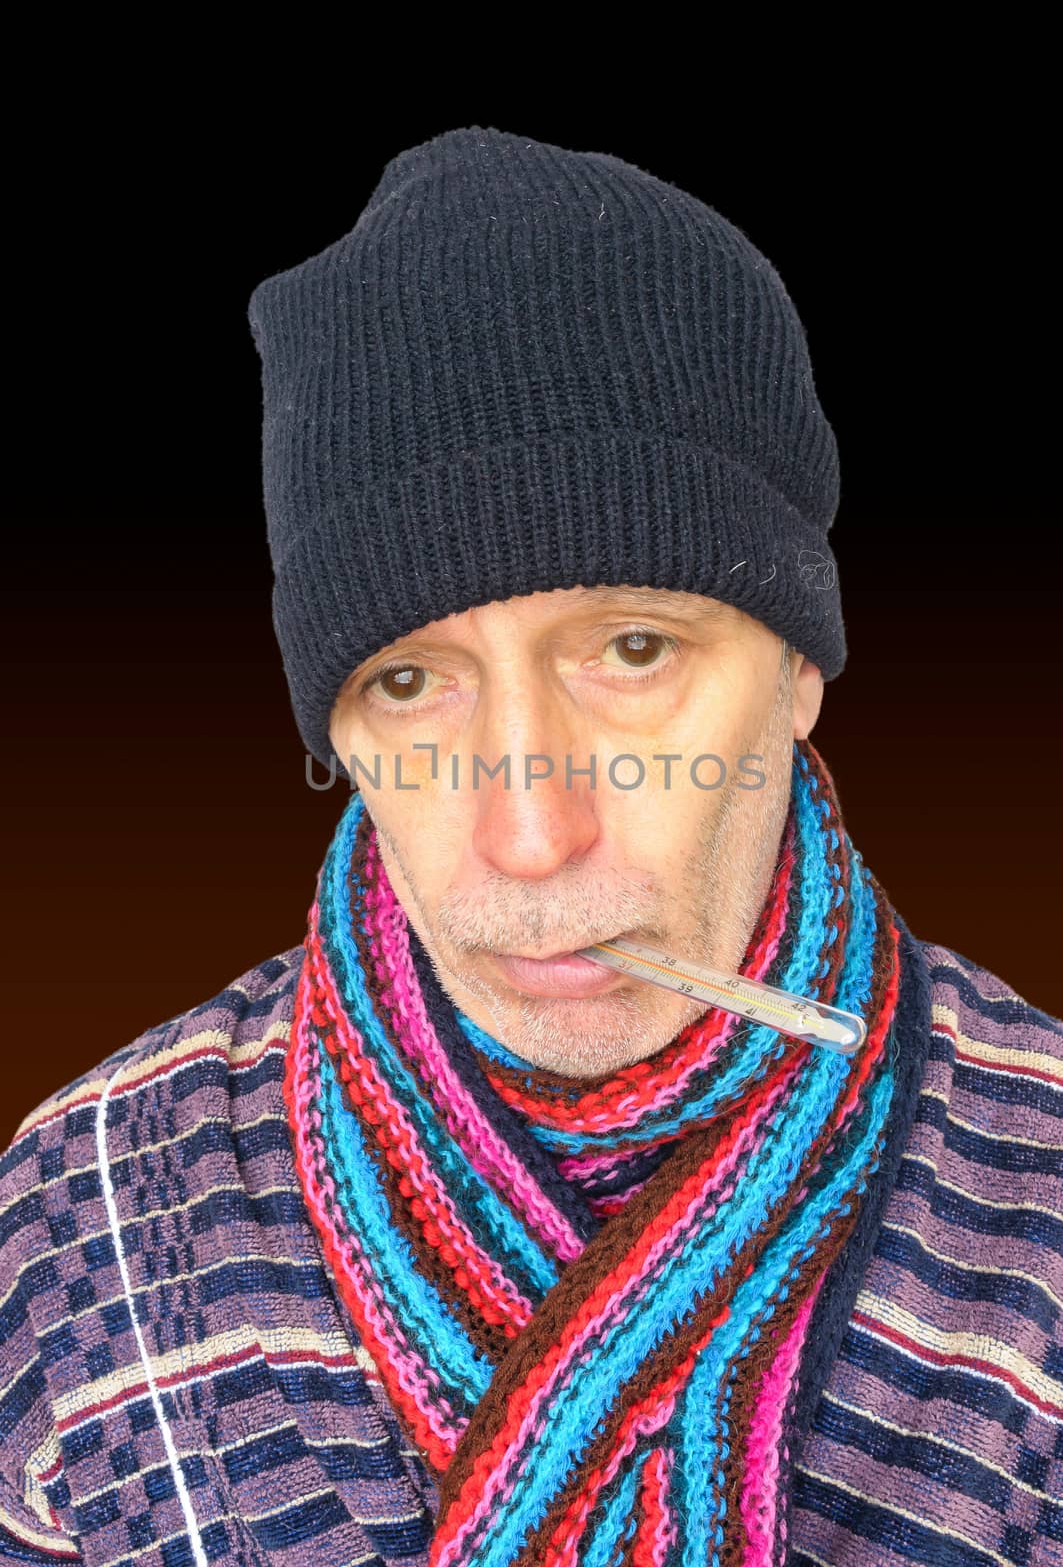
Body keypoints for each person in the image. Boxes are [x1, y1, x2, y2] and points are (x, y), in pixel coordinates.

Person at [1, 125, 1059, 1567]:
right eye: (409, 682)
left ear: (802, 672)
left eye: (632, 649)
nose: (529, 833)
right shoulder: (80, 1215)